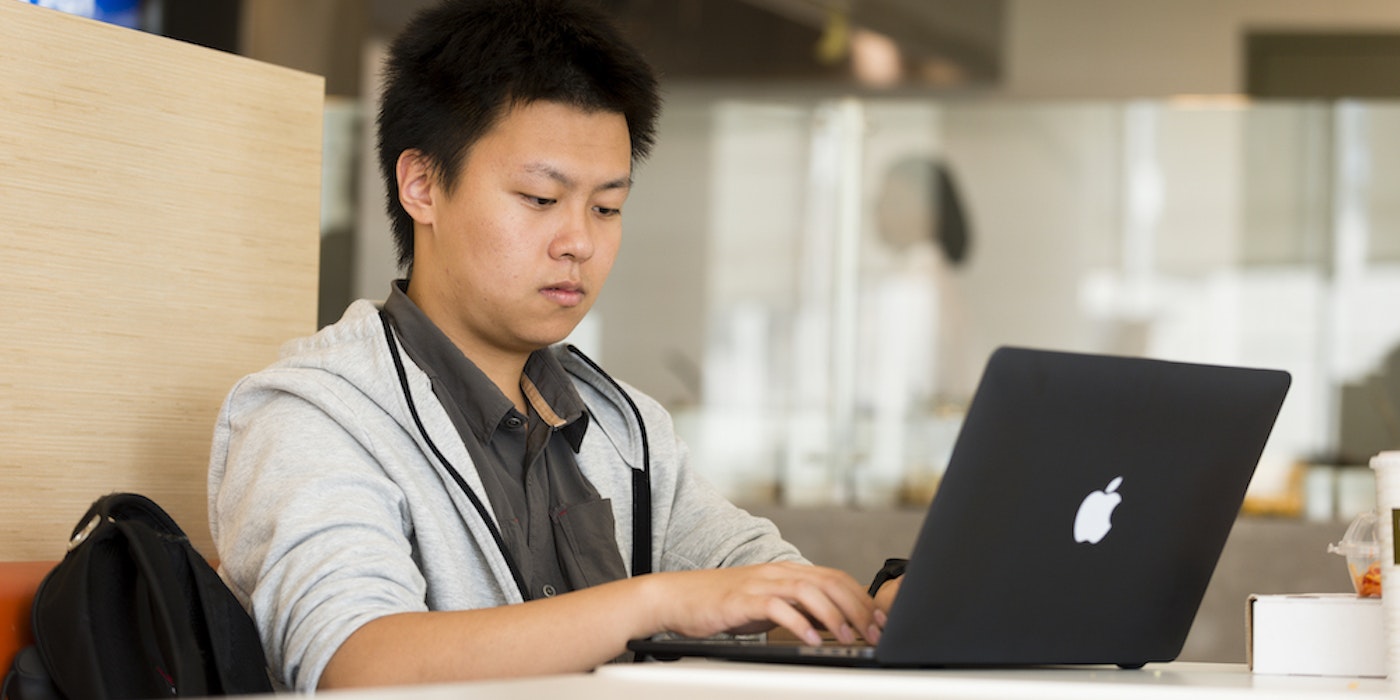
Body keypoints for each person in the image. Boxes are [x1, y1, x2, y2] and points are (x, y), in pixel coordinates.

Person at [207, 0, 899, 692]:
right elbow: (357, 664)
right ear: (420, 185)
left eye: (607, 207)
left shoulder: (623, 427)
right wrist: (655, 602)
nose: (580, 242)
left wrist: (871, 609)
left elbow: (753, 584)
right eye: (541, 198)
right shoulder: (312, 415)